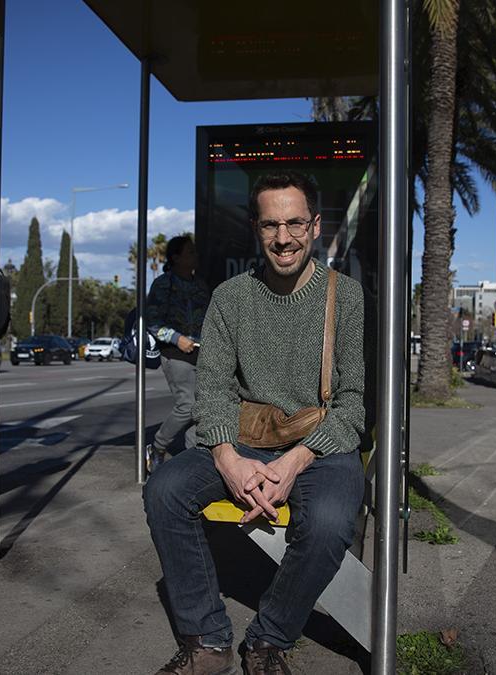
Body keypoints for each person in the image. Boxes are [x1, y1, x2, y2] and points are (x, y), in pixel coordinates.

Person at [144, 171, 366, 675]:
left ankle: (267, 640)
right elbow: (215, 390)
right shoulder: (230, 297)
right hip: (243, 439)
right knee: (165, 490)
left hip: (318, 447)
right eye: (270, 225)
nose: (282, 238)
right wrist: (227, 459)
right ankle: (207, 642)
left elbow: (353, 401)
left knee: (330, 522)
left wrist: (295, 460)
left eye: (293, 224)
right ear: (255, 228)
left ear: (313, 226)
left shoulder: (344, 296)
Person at [145, 235, 210, 472]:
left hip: (202, 353)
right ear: (176, 258)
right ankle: (158, 446)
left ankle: (192, 459)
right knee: (188, 405)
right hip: (176, 354)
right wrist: (176, 338)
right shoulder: (163, 284)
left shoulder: (201, 285)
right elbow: (152, 321)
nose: (196, 256)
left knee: (200, 408)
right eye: (190, 252)